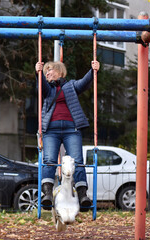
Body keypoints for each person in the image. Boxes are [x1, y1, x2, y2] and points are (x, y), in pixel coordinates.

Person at [35, 60, 100, 210]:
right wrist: (38, 74)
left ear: (60, 72)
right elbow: (41, 87)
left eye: (50, 70)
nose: (48, 73)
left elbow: (84, 82)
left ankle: (82, 194)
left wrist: (92, 70)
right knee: (49, 159)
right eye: (46, 72)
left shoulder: (70, 86)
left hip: (72, 129)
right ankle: (47, 194)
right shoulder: (48, 89)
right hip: (51, 130)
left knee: (77, 160)